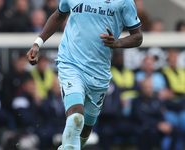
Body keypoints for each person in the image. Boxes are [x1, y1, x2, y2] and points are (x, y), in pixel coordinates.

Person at [26, 0, 143, 149]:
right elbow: (59, 15)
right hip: (71, 63)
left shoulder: (124, 2)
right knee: (76, 117)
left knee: (86, 129)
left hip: (99, 72)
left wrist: (117, 43)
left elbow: (138, 36)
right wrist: (37, 43)